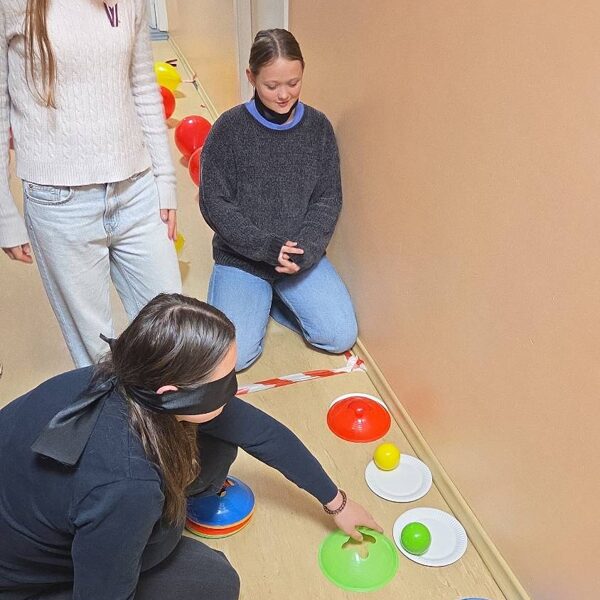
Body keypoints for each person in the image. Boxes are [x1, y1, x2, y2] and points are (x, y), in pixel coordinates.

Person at [0, 294, 381, 600]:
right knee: (212, 580)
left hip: (41, 509)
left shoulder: (121, 376)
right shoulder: (127, 486)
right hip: (24, 577)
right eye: (224, 382)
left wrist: (337, 502)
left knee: (221, 441)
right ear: (172, 393)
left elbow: (263, 433)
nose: (234, 388)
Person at [0, 0, 181, 368]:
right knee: (97, 357)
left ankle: (169, 408)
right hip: (60, 203)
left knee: (174, 333)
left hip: (137, 189)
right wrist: (4, 213)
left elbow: (143, 86)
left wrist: (165, 180)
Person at [200, 29, 358, 371]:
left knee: (339, 336)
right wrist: (266, 248)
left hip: (298, 258)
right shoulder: (228, 129)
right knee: (235, 358)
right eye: (271, 85)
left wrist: (303, 250)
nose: (284, 95)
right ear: (251, 77)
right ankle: (258, 298)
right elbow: (215, 203)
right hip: (243, 257)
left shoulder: (318, 128)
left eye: (293, 83)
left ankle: (273, 300)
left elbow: (327, 198)